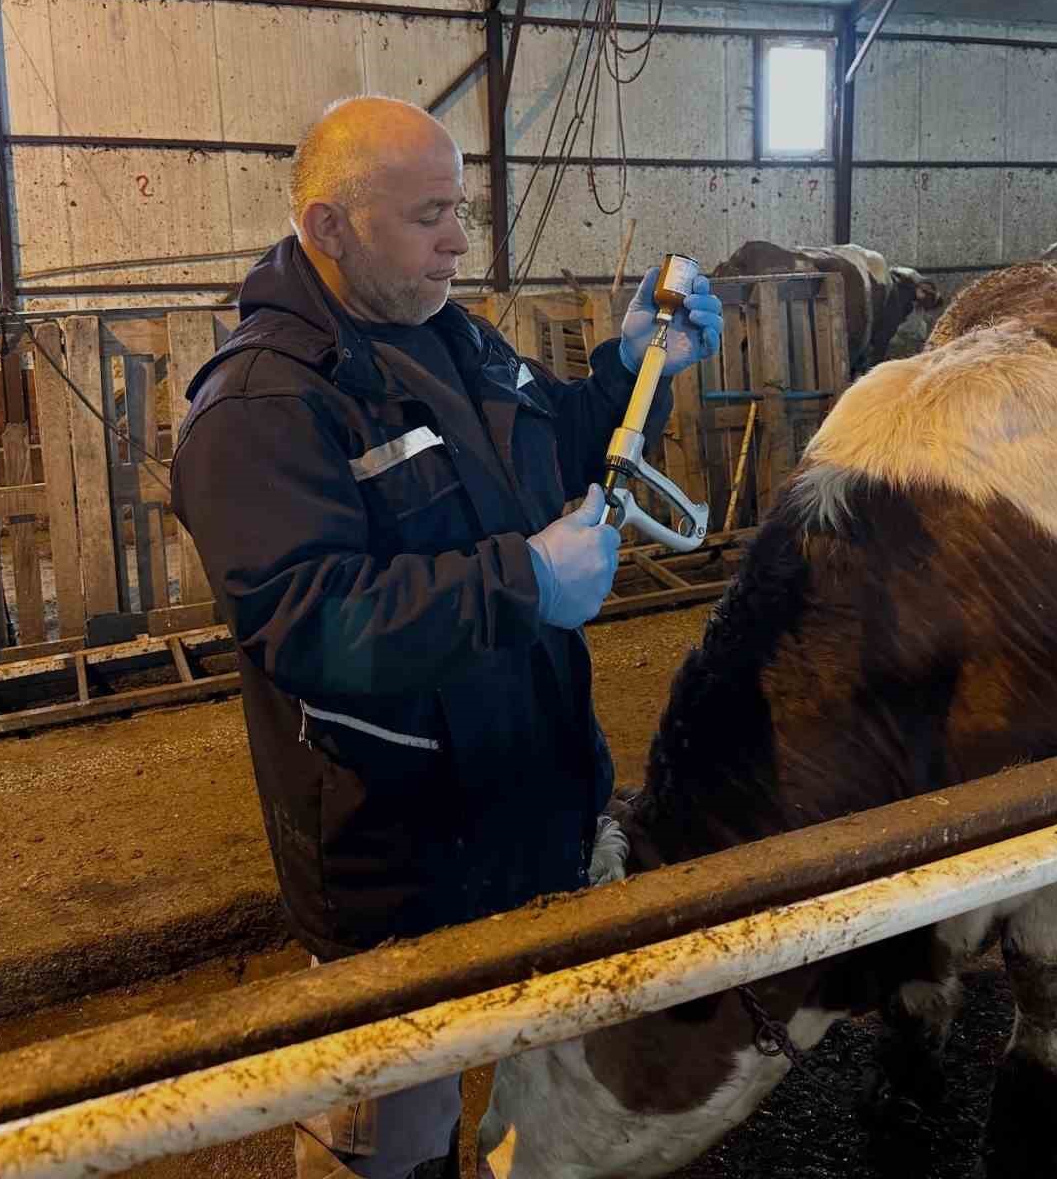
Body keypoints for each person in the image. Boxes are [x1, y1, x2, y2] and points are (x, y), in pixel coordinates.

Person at [170, 95, 722, 1179]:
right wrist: (524, 582)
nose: (460, 242)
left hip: (532, 814)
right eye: (431, 216)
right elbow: (309, 621)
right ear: (330, 228)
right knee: (389, 1141)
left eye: (460, 210)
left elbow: (564, 443)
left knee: (539, 1098)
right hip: (401, 872)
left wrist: (632, 372)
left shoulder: (452, 336)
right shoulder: (260, 407)